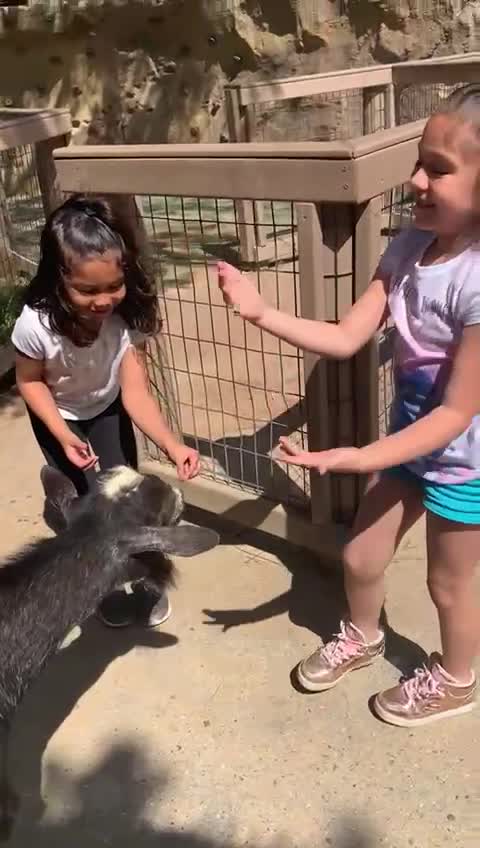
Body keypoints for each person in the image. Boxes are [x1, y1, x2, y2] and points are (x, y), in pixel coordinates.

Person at [218, 83, 480, 727]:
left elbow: (456, 414)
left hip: (463, 462)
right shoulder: (407, 249)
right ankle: (364, 636)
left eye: (439, 170)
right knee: (362, 554)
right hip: (407, 446)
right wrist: (260, 311)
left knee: (449, 585)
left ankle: (457, 677)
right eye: (419, 161)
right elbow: (345, 336)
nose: (416, 179)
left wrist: (358, 454)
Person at [12, 194, 199, 628]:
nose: (103, 300)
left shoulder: (123, 317)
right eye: (87, 290)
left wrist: (171, 444)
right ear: (59, 278)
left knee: (126, 497)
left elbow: (134, 391)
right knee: (86, 504)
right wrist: (62, 434)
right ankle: (101, 584)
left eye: (112, 286)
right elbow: (29, 382)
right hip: (60, 418)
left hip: (107, 409)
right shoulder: (35, 325)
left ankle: (145, 576)